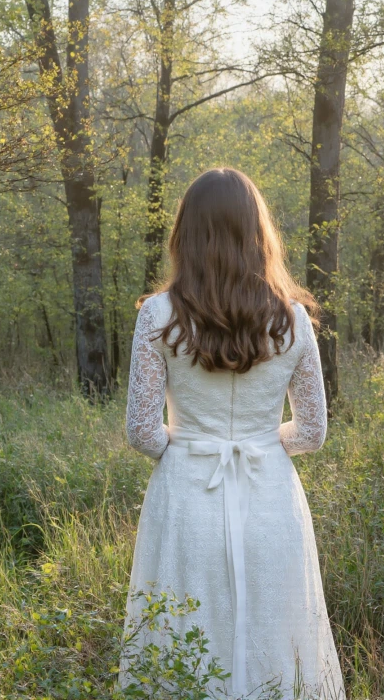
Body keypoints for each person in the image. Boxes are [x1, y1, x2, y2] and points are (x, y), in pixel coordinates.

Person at [120, 168, 343, 699]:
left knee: (184, 626)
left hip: (187, 492)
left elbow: (142, 431)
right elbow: (312, 432)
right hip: (270, 496)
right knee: (274, 625)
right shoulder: (292, 319)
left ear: (186, 235)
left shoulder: (158, 315)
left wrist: (188, 445)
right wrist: (262, 445)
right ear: (257, 233)